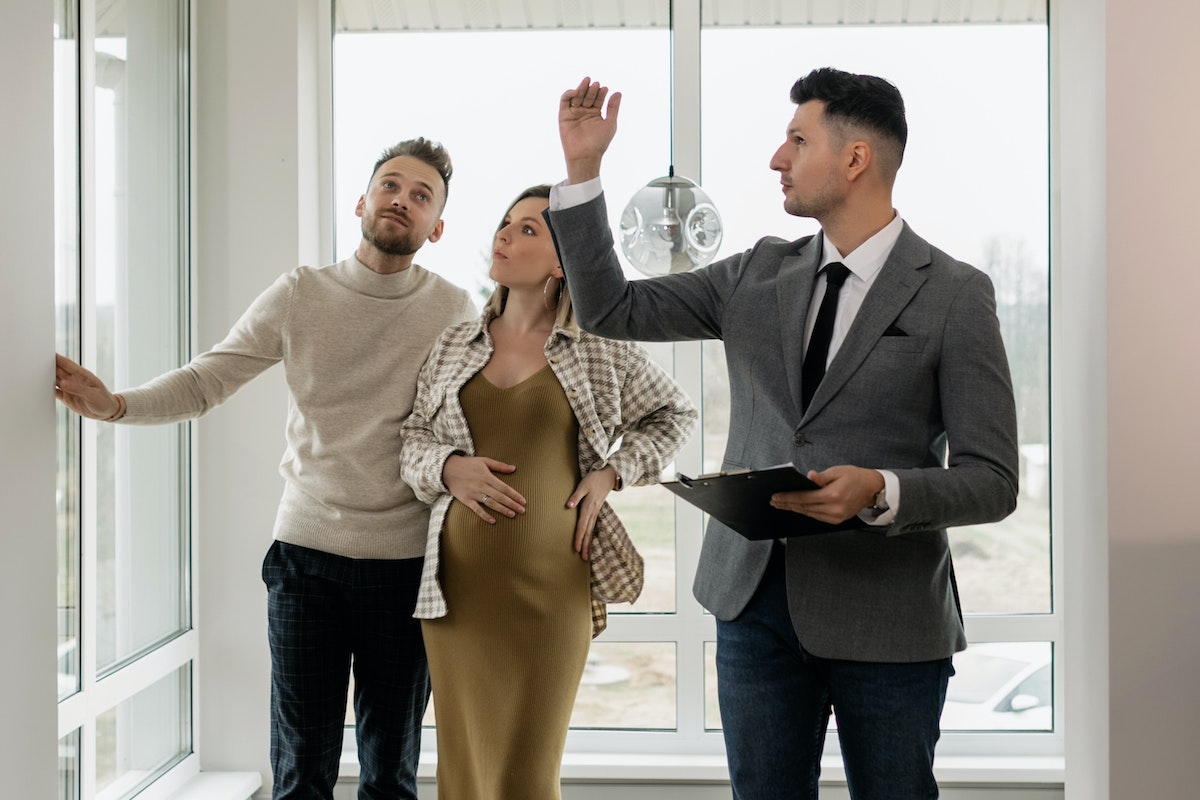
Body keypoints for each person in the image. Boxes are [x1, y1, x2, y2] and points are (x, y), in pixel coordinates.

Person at [548, 71, 1020, 799]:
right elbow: (610, 308)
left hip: (889, 618)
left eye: (798, 140)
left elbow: (993, 478)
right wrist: (583, 173)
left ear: (855, 158)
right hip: (753, 608)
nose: (777, 157)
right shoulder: (756, 274)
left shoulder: (955, 294)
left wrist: (883, 490)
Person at [53, 139, 477, 800]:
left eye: (422, 196)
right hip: (306, 559)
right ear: (362, 201)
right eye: (391, 185)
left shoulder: (453, 310)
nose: (402, 200)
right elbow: (206, 381)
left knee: (390, 771)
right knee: (302, 767)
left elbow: (474, 421)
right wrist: (113, 406)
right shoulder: (302, 293)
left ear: (437, 227)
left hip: (407, 567)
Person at [398, 184, 697, 800]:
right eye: (506, 223)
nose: (505, 235)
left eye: (528, 229)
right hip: (456, 598)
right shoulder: (455, 344)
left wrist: (611, 473)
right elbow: (412, 442)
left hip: (551, 593)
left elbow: (675, 414)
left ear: (563, 261)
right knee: (464, 774)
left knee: (526, 778)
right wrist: (449, 467)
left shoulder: (598, 350)